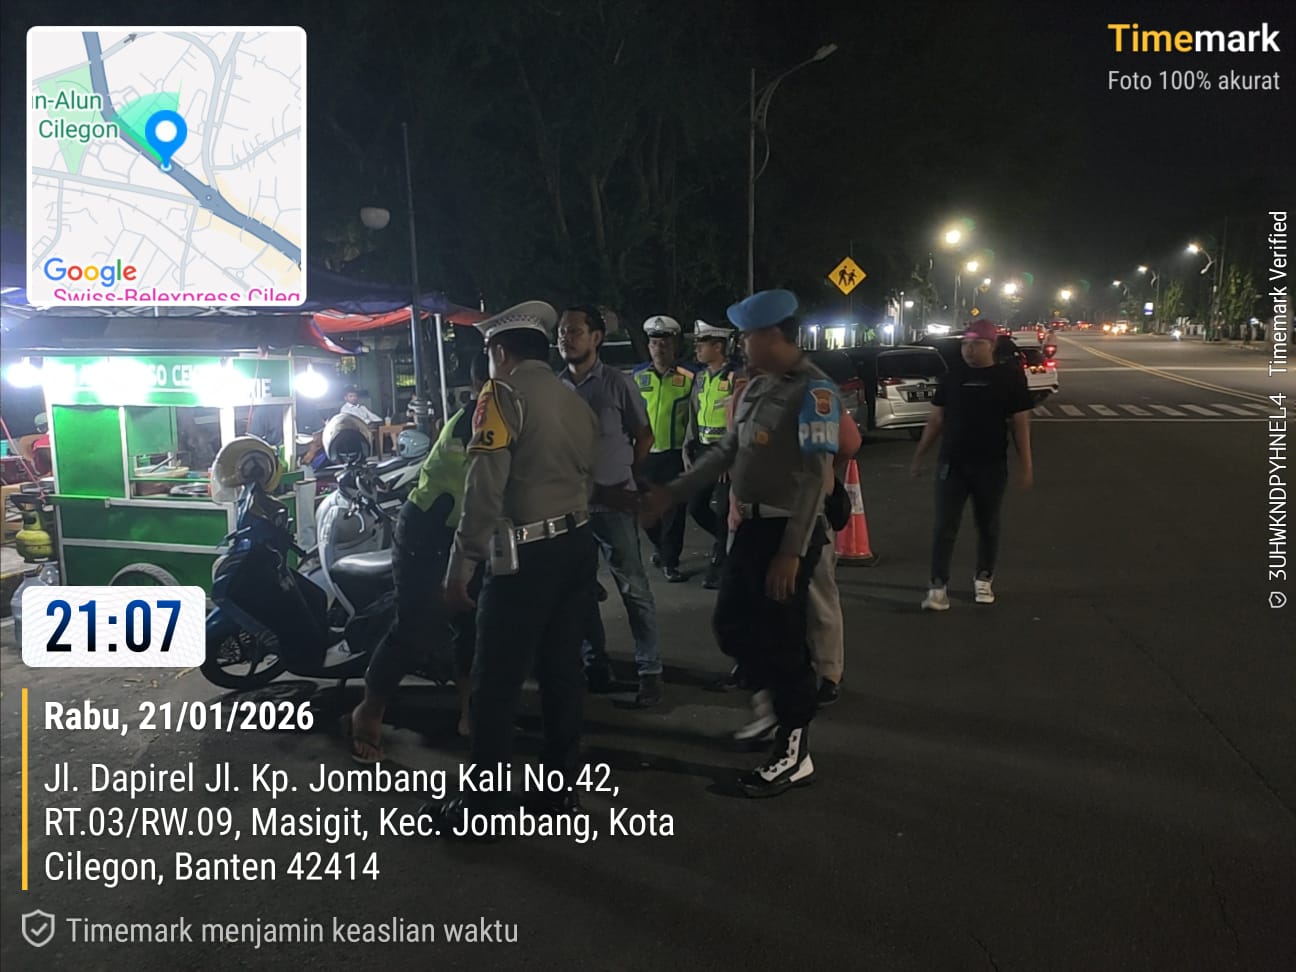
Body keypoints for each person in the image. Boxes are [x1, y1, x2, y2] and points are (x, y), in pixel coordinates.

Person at [644, 289, 839, 797]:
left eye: (747, 336)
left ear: (772, 335)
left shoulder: (815, 391)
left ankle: (794, 752)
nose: (741, 345)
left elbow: (815, 478)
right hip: (750, 527)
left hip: (786, 530)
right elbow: (726, 451)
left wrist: (791, 552)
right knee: (732, 625)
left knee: (784, 639)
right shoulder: (757, 387)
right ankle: (775, 706)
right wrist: (673, 493)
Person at [432, 301, 599, 833]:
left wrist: (462, 562)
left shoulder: (500, 394)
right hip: (576, 542)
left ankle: (484, 805)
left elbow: (484, 487)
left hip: (523, 554)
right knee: (561, 672)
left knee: (496, 679)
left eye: (488, 352)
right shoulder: (572, 399)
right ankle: (560, 789)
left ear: (500, 351)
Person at [346, 353, 491, 761]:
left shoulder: (504, 417)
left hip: (467, 535)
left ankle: (470, 714)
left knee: (472, 626)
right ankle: (368, 712)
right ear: (481, 385)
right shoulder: (473, 421)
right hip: (428, 534)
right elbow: (483, 487)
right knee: (416, 627)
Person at [557, 305, 663, 707]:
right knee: (579, 590)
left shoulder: (618, 384)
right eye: (562, 332)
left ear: (596, 338)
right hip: (571, 507)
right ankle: (595, 665)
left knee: (633, 588)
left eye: (574, 331)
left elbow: (644, 434)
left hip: (616, 504)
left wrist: (631, 476)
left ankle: (650, 670)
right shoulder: (555, 388)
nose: (565, 338)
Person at [910, 318, 1034, 610]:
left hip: (990, 465)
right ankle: (937, 587)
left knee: (988, 524)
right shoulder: (952, 377)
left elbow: (1020, 424)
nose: (969, 349)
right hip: (952, 464)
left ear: (992, 345)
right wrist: (920, 455)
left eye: (976, 343)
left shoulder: (1009, 378)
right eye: (965, 343)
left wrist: (1026, 465)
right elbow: (936, 419)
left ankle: (984, 577)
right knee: (944, 526)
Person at [633, 315, 696, 582]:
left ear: (674, 345)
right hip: (645, 454)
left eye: (665, 343)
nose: (659, 348)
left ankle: (671, 561)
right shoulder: (637, 377)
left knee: (674, 512)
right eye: (654, 343)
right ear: (648, 346)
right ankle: (661, 547)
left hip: (675, 454)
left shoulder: (689, 378)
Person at [684, 319, 746, 589]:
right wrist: (688, 446)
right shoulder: (700, 378)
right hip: (703, 450)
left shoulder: (735, 378)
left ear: (718, 347)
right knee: (696, 507)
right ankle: (728, 543)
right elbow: (694, 412)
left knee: (723, 511)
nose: (697, 349)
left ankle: (720, 566)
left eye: (702, 344)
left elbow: (740, 419)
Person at [808, 408, 861, 706]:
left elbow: (850, 441)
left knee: (818, 595)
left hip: (809, 509)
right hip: (761, 511)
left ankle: (829, 673)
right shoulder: (746, 393)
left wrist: (825, 470)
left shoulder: (815, 392)